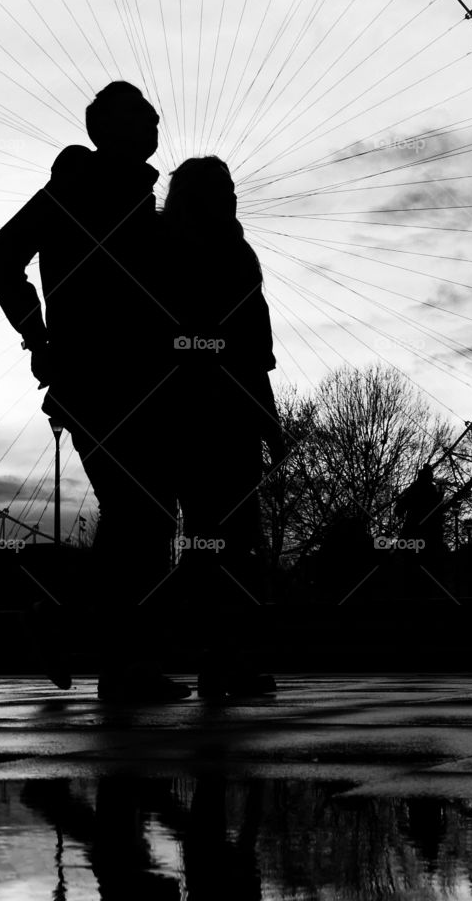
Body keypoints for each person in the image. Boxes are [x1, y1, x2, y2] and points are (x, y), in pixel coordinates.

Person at [0, 81, 189, 701]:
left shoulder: (129, 197)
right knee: (141, 516)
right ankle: (105, 652)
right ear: (109, 129)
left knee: (141, 518)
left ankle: (113, 657)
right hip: (104, 380)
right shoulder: (77, 189)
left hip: (129, 380)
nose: (153, 126)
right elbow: (0, 255)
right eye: (142, 118)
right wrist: (37, 336)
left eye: (154, 118)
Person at [160, 156, 284, 697]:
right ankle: (220, 660)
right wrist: (269, 423)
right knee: (228, 543)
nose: (233, 197)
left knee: (210, 542)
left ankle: (217, 658)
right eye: (223, 189)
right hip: (219, 417)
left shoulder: (167, 247)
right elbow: (251, 354)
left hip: (186, 413)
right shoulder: (230, 256)